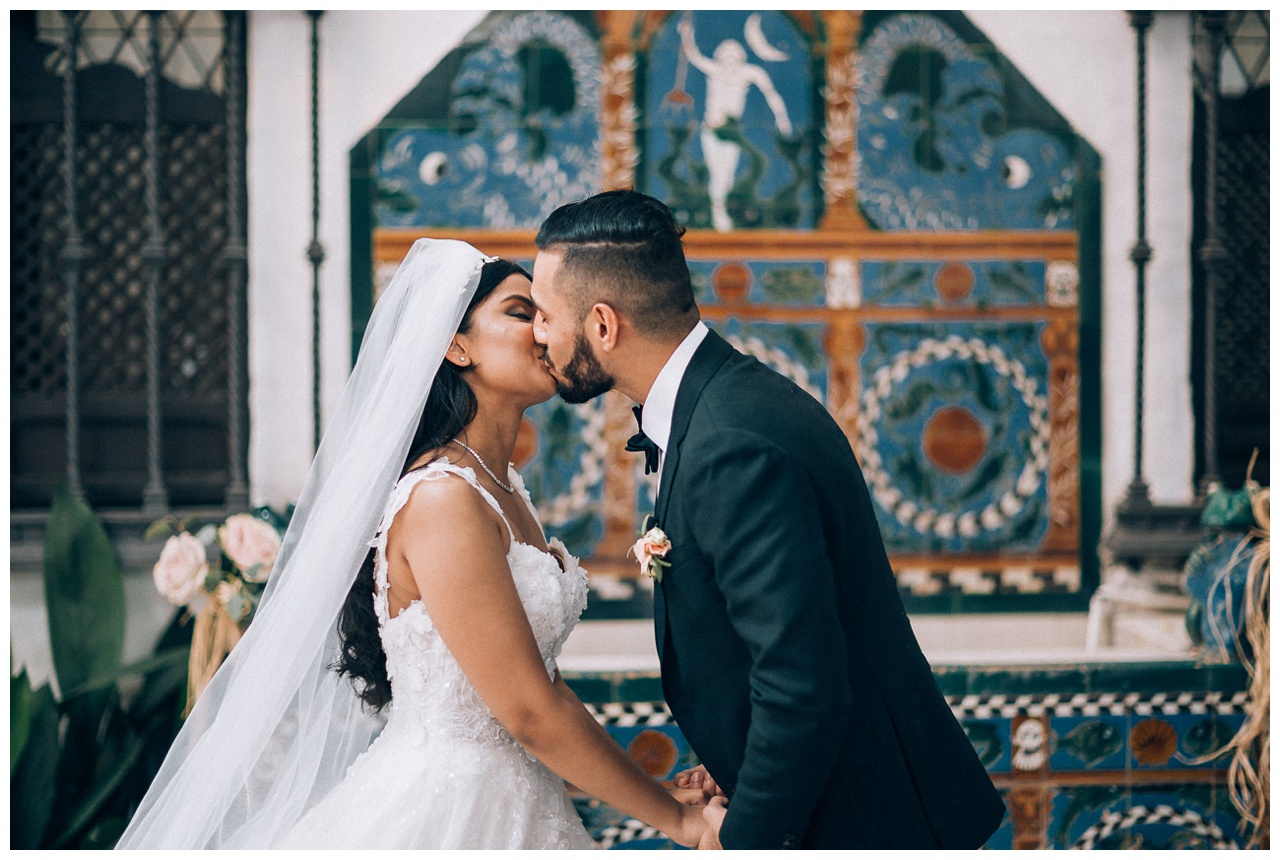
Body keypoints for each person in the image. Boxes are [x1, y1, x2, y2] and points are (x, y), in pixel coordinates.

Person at [117, 241, 708, 849]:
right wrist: (679, 822)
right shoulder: (443, 499)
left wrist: (652, 790)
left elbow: (538, 692)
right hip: (443, 818)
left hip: (517, 804)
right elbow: (530, 712)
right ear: (456, 345)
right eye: (518, 311)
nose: (542, 331)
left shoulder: (503, 488)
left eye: (544, 315)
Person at [530, 190, 1007, 849]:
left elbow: (801, 688)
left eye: (547, 315)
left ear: (604, 325)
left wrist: (746, 840)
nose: (539, 333)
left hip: (863, 823)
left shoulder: (730, 445)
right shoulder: (727, 403)